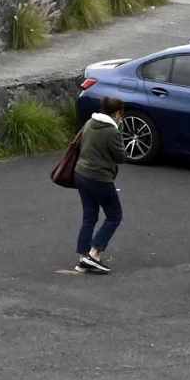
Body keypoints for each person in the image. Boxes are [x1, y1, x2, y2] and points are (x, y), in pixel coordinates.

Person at [71, 96, 126, 274]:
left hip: (81, 174)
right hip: (99, 178)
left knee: (89, 216)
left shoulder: (89, 123)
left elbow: (79, 144)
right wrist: (120, 130)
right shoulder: (112, 131)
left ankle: (83, 257)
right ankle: (94, 254)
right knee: (114, 216)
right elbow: (121, 157)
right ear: (117, 112)